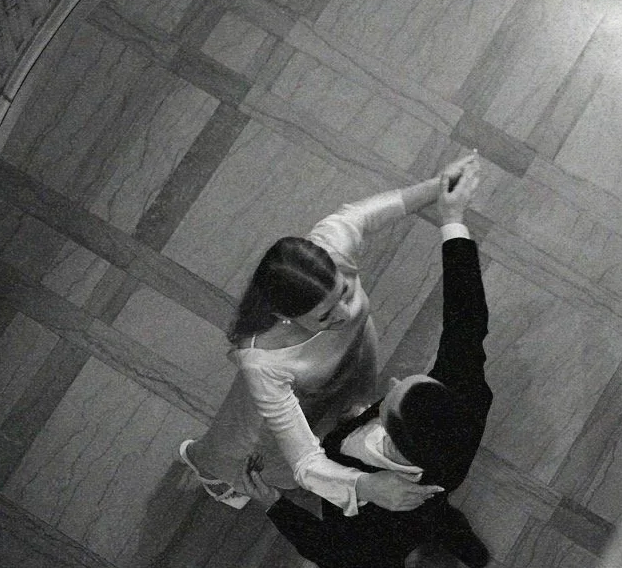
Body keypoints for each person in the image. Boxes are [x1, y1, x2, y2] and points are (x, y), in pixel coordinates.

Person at [262, 151, 493, 568]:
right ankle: (454, 533)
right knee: (438, 512)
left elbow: (340, 555)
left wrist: (275, 506)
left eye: (390, 399)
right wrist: (452, 218)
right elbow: (467, 320)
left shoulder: (371, 517)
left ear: (388, 430)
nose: (389, 382)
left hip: (382, 535)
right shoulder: (465, 399)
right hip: (437, 487)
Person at [178, 164, 467, 512]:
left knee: (348, 411)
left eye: (344, 293)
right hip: (301, 395)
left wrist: (438, 187)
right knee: (254, 452)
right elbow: (303, 459)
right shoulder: (263, 362)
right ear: (287, 317)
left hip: (352, 360)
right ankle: (209, 469)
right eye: (326, 316)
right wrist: (366, 486)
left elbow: (362, 215)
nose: (345, 315)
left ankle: (347, 416)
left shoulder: (331, 243)